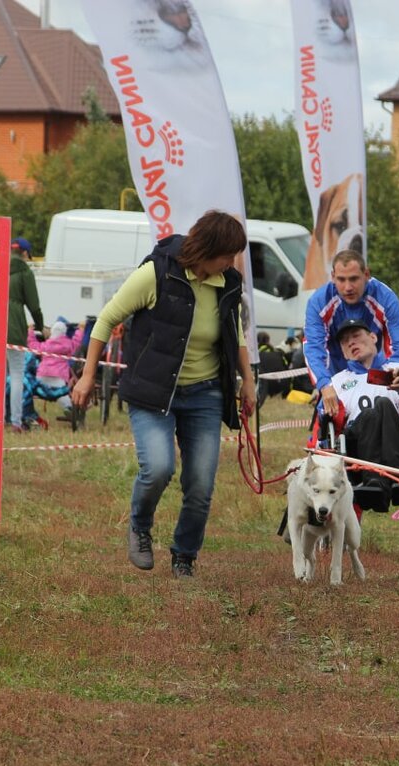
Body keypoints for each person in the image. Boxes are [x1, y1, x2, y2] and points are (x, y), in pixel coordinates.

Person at [71, 210, 255, 579]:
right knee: (158, 469)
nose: (232, 263)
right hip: (153, 391)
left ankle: (184, 556)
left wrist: (247, 380)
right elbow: (106, 320)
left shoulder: (228, 282)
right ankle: (140, 526)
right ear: (207, 249)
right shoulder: (157, 272)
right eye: (227, 255)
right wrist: (87, 376)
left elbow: (233, 335)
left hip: (205, 394)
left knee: (200, 483)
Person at [326, 318, 399, 511]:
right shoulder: (336, 383)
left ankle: (394, 476)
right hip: (356, 450)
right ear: (342, 350)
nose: (351, 343)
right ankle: (383, 478)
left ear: (374, 337)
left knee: (383, 403)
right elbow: (326, 423)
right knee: (369, 414)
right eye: (345, 341)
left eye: (356, 336)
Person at [303, 250, 399, 418]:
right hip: (335, 369)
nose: (348, 287)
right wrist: (325, 384)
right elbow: (313, 348)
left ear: (366, 274)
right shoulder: (319, 302)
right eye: (341, 280)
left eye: (354, 279)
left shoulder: (385, 297)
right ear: (333, 277)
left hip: (373, 368)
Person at [7, 237, 48, 434]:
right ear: (24, 253)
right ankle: (15, 421)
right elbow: (34, 305)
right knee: (16, 375)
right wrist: (41, 327)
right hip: (14, 329)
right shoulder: (24, 272)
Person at [28, 316, 80, 415]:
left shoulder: (46, 345)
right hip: (59, 375)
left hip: (43, 374)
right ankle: (69, 408)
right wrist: (80, 331)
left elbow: (33, 346)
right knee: (61, 395)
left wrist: (30, 332)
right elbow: (76, 343)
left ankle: (28, 410)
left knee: (34, 391)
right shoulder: (68, 345)